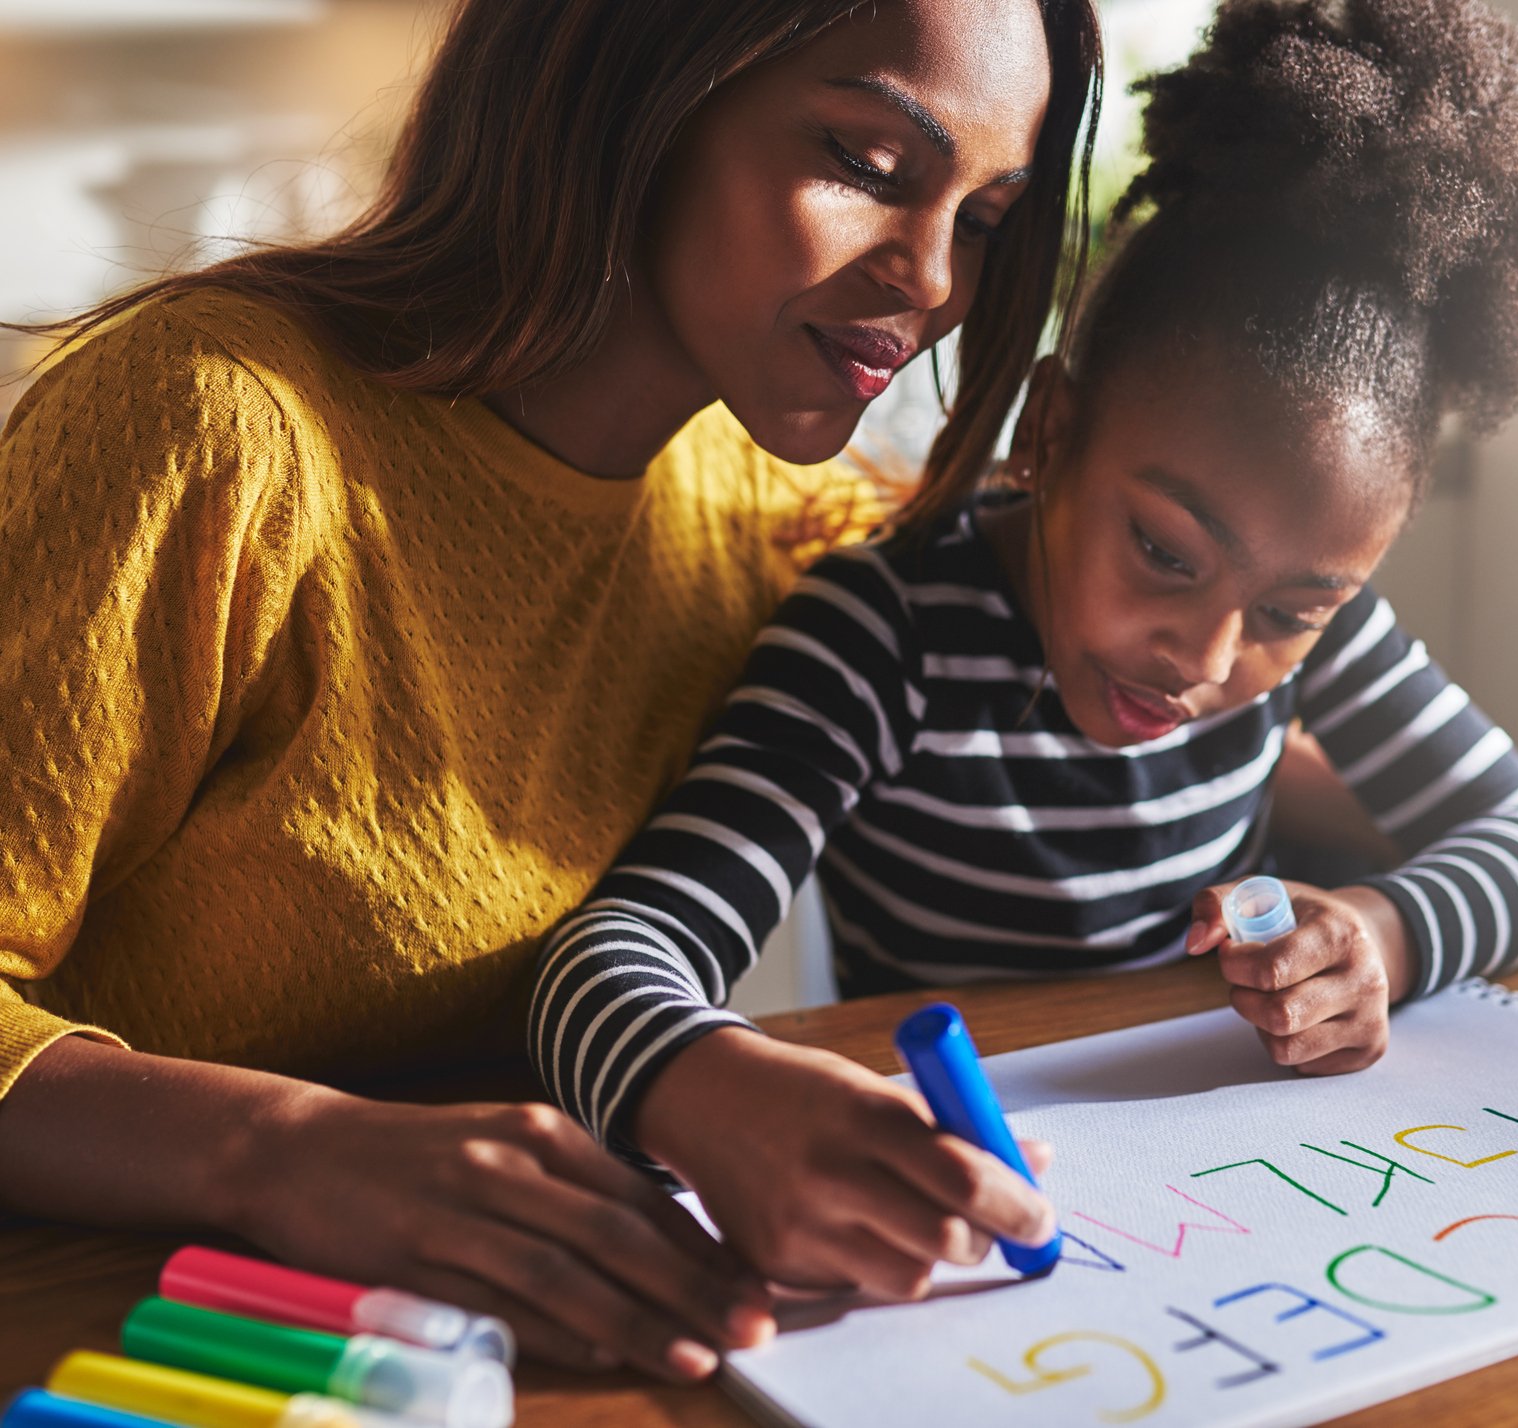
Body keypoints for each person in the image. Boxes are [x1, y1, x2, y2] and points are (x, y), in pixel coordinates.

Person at [531, 0, 1518, 1327]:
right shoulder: (877, 636)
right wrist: (717, 1087)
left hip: (1219, 1205)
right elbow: (610, 957)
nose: (1211, 656)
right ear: (1050, 432)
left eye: (1297, 605)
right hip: (980, 1211)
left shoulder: (1303, 637)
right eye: (1165, 552)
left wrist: (1387, 938)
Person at [0, 0, 1104, 1380]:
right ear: (634, 83)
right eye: (870, 165)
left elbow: (1121, 665)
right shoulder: (212, 429)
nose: (935, 279)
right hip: (119, 1337)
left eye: (988, 220)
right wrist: (282, 1150)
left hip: (471, 1347)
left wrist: (1367, 906)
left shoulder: (770, 514)